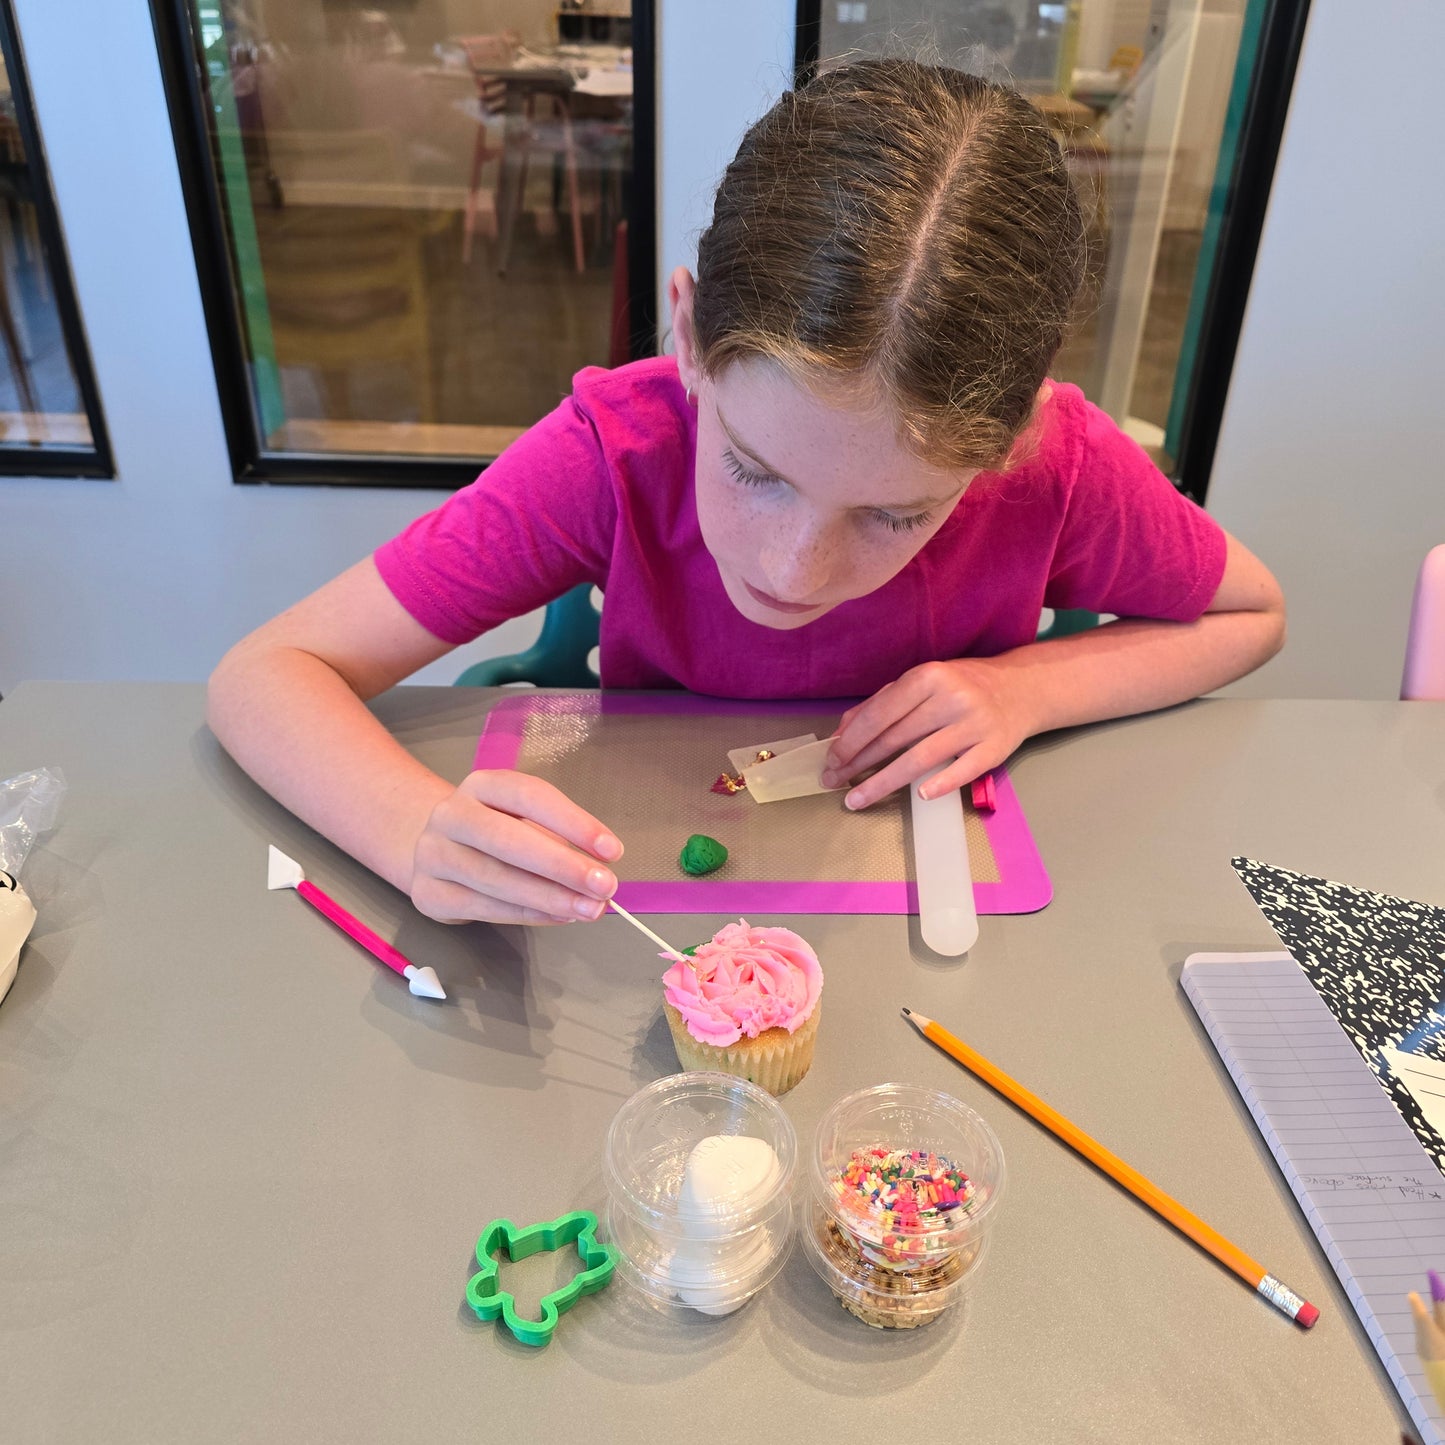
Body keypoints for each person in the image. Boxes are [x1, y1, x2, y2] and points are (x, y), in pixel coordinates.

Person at [208, 59, 1285, 931]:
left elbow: (1250, 612)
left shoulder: (1060, 462)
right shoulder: (609, 451)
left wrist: (1028, 692)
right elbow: (265, 674)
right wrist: (413, 829)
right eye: (752, 470)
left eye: (894, 513)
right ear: (686, 337)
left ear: (1006, 439)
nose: (789, 570)